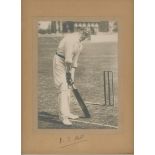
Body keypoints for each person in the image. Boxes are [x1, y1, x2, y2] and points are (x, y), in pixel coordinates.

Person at [53, 28, 90, 125]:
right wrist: (68, 73)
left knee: (69, 87)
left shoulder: (80, 44)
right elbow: (68, 60)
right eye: (84, 36)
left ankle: (67, 112)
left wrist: (71, 75)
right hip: (59, 62)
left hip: (68, 64)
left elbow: (74, 62)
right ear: (80, 33)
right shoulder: (70, 40)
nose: (84, 38)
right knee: (63, 88)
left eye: (86, 37)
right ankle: (63, 117)